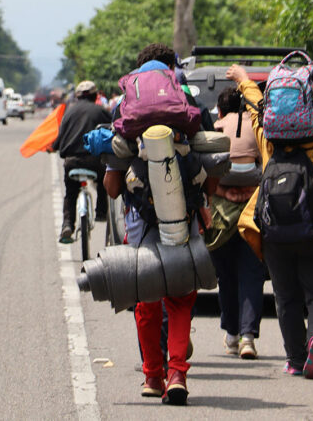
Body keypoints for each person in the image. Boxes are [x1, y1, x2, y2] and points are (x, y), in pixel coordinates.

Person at [231, 56, 313, 379]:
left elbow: (255, 107)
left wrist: (243, 78)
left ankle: (297, 359)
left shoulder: (269, 141)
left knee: (286, 297)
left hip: (274, 231)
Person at [103, 42, 206, 405]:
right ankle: (177, 372)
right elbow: (206, 160)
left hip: (140, 220)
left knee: (146, 299)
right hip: (184, 212)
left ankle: (152, 377)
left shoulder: (124, 103)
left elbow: (113, 187)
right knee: (180, 297)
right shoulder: (187, 93)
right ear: (170, 70)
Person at [209, 85, 265, 359]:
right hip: (252, 212)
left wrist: (224, 192)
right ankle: (248, 338)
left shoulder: (217, 126)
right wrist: (250, 192)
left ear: (219, 110)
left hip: (221, 217)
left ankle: (231, 334)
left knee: (227, 276)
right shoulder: (256, 126)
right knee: (252, 275)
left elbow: (206, 174)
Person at [51, 80, 111, 243]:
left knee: (71, 193)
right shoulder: (101, 111)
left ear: (77, 97)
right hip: (95, 161)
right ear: (95, 96)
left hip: (72, 161)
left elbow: (60, 137)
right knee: (103, 182)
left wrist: (53, 147)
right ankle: (101, 212)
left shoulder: (69, 113)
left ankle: (67, 224)